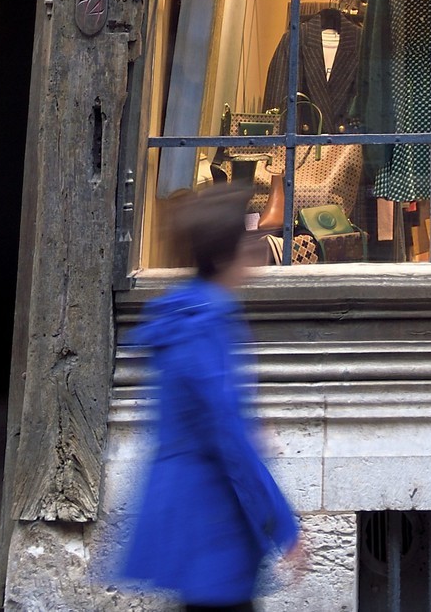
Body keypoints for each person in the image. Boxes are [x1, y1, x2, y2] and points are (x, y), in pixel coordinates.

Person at [119, 183, 307, 612]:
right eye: (248, 242)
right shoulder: (207, 322)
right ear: (224, 257)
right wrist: (283, 527)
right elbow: (228, 437)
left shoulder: (185, 313)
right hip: (213, 521)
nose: (256, 250)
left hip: (192, 514)